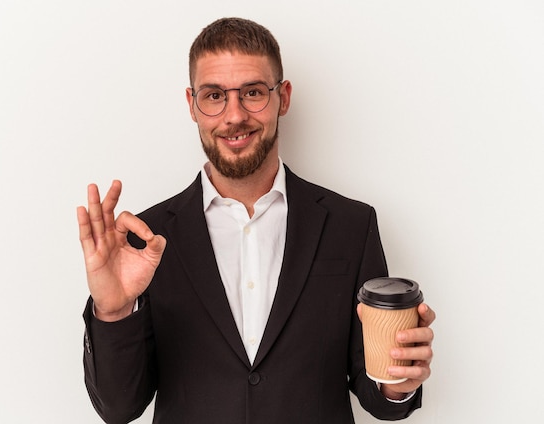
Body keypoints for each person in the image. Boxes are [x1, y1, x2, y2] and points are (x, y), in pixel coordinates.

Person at [77, 17, 435, 424]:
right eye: (214, 96)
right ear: (192, 105)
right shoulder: (143, 240)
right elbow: (119, 407)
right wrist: (112, 311)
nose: (234, 116)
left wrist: (398, 384)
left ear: (283, 97)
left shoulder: (350, 225)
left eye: (252, 93)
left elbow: (376, 391)